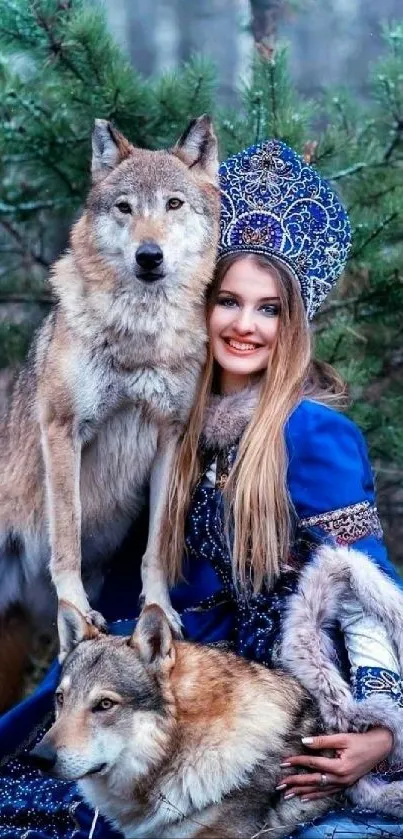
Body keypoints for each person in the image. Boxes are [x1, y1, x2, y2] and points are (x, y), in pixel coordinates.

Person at [0, 139, 403, 839]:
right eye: (228, 302)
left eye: (268, 309)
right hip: (143, 694)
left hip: (260, 717)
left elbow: (363, 592)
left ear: (291, 323)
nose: (244, 326)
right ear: (200, 300)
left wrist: (382, 729)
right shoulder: (167, 423)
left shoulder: (309, 433)